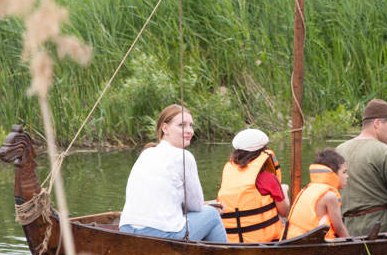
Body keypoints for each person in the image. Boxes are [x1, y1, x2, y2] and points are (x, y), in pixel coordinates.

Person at [119, 104, 228, 242]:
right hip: (162, 234)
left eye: (191, 125)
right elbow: (196, 205)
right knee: (212, 214)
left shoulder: (146, 153)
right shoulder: (183, 156)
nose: (189, 130)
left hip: (126, 230)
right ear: (165, 128)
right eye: (182, 125)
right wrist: (208, 207)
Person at [336, 99, 387, 235]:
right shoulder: (386, 153)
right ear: (377, 123)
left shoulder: (338, 150)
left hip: (346, 227)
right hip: (379, 227)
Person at [217, 128, 290, 243]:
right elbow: (284, 212)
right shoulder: (269, 178)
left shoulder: (227, 176)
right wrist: (283, 190)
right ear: (263, 151)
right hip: (266, 242)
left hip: (232, 242)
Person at [284, 148, 350, 239]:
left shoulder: (308, 188)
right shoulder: (330, 196)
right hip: (311, 244)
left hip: (293, 239)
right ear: (333, 173)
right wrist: (354, 244)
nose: (347, 176)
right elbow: (339, 228)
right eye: (344, 172)